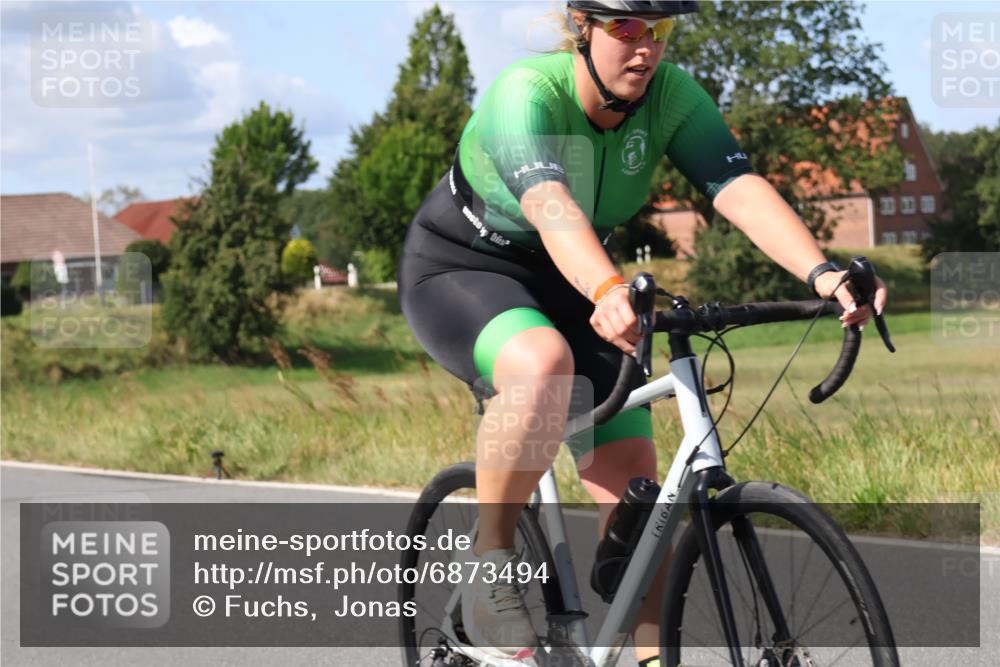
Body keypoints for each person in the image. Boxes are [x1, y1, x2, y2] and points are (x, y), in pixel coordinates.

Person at [397, 1, 889, 664]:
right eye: (626, 27)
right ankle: (491, 565)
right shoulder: (527, 94)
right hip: (466, 268)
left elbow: (737, 186)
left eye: (660, 29)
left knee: (644, 507)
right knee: (545, 365)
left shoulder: (671, 97)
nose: (646, 47)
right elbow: (550, 204)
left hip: (576, 270)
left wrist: (823, 272)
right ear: (583, 26)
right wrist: (606, 291)